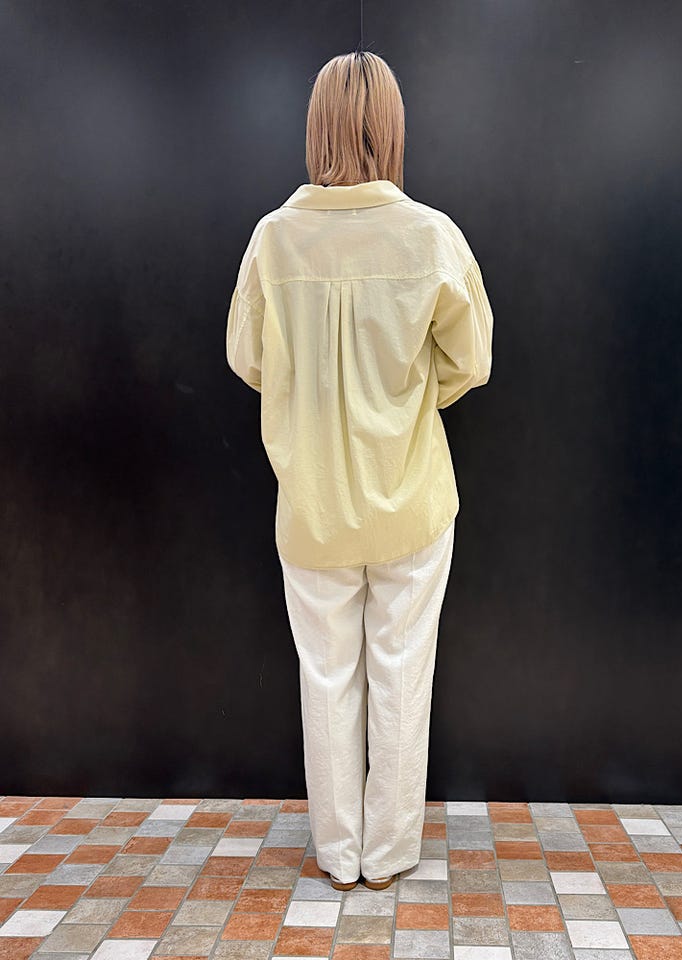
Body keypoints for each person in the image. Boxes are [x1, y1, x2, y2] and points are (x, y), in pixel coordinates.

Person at [226, 50, 494, 893]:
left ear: (317, 127)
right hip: (410, 495)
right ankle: (389, 853)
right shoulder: (431, 235)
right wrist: (407, 397)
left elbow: (246, 358)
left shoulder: (274, 238)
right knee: (402, 671)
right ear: (393, 128)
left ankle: (338, 853)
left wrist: (313, 395)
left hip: (311, 505)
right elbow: (472, 359)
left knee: (326, 675)